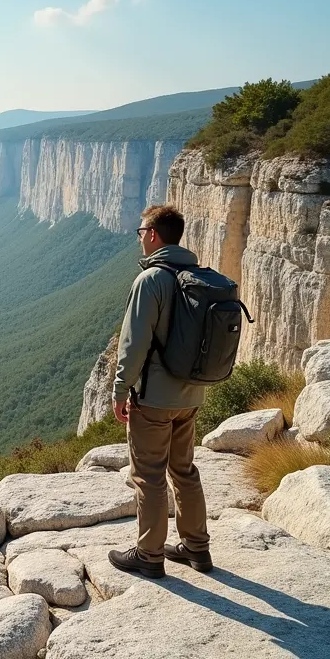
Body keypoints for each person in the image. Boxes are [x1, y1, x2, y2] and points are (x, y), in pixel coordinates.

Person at [107, 205, 213, 578]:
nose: (139, 237)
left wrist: (120, 389)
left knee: (148, 476)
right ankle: (197, 549)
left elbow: (133, 343)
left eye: (140, 231)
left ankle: (149, 555)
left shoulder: (151, 280)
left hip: (154, 398)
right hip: (192, 395)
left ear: (152, 234)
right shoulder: (199, 276)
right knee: (184, 470)